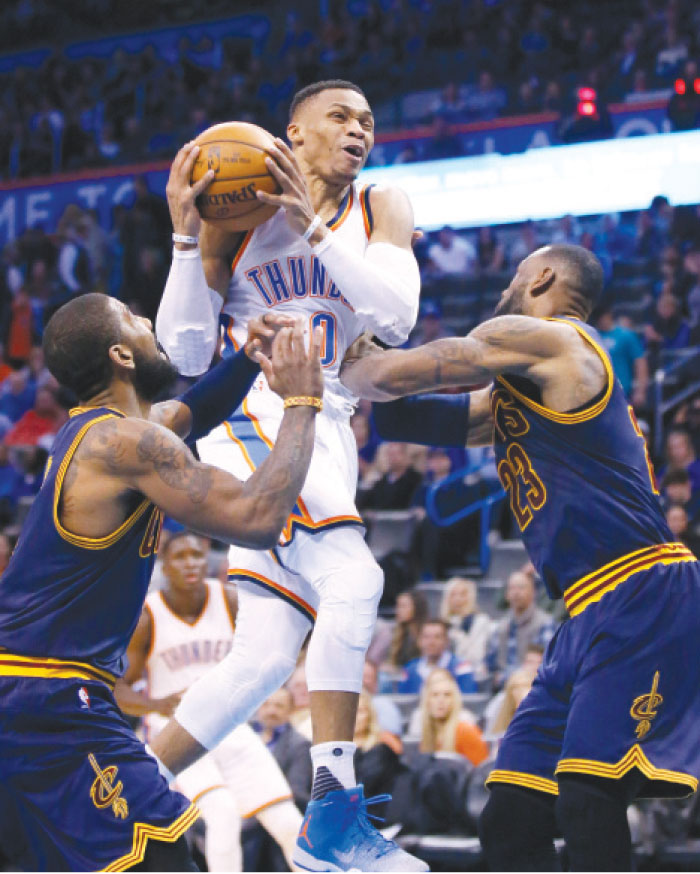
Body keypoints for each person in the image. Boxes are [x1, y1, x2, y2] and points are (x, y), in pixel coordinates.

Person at [0, 145, 323, 873]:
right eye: (136, 322)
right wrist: (299, 401)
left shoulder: (95, 437)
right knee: (168, 853)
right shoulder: (122, 444)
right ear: (120, 356)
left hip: (25, 691)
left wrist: (249, 351)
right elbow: (255, 516)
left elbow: (191, 412)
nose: (150, 325)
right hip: (50, 699)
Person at [339, 242, 700, 871]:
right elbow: (401, 421)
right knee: (509, 814)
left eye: (514, 274)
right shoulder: (521, 394)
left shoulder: (555, 341)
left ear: (544, 276)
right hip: (585, 612)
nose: (505, 285)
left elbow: (398, 378)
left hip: (641, 589)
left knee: (588, 799)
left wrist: (333, 351)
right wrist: (354, 345)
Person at [154, 79, 424, 873]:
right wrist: (182, 237)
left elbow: (395, 315)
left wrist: (313, 225)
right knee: (355, 577)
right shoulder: (237, 214)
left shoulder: (382, 206)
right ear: (291, 137)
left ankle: (125, 793)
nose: (358, 130)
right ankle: (331, 816)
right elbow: (188, 355)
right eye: (339, 117)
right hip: (258, 415)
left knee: (264, 656)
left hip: (328, 419)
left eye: (368, 120)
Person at [114, 532, 302, 872]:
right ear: (164, 567)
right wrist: (155, 705)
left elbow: (268, 650)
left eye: (197, 555)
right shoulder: (148, 617)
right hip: (175, 729)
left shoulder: (229, 601)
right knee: (223, 816)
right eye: (181, 556)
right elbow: (118, 690)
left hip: (230, 725)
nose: (191, 563)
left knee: (287, 820)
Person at [485, 569, 557, 689]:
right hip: (503, 690)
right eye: (512, 588)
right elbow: (490, 664)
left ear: (533, 592)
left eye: (521, 588)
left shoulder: (545, 623)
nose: (516, 593)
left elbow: (547, 665)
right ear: (507, 594)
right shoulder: (501, 626)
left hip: (534, 688)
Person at [418, 669, 489, 766]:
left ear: (454, 700)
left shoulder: (466, 732)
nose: (441, 700)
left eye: (447, 695)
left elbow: (481, 773)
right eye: (435, 695)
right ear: (427, 701)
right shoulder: (427, 734)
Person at [398, 619, 478, 694]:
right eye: (426, 637)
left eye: (437, 637)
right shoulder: (409, 669)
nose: (431, 642)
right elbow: (403, 704)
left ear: (446, 641)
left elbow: (468, 702)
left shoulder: (461, 668)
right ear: (419, 641)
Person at [439, 577, 492, 682]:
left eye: (463, 594)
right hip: (448, 676)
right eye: (453, 594)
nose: (458, 599)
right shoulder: (442, 626)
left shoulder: (482, 622)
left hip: (477, 674)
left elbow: (479, 655)